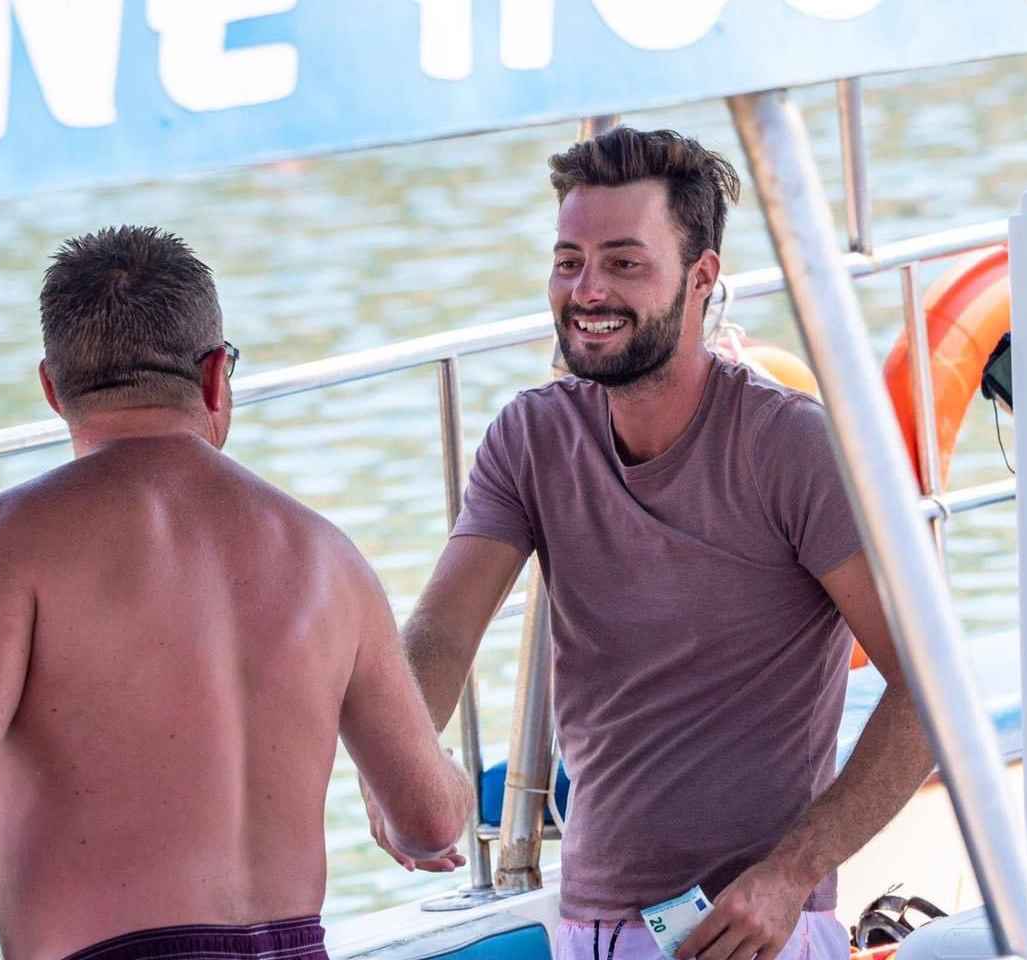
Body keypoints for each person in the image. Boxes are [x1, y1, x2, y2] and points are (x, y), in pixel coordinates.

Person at [396, 128, 933, 960]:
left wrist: (790, 876)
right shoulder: (530, 437)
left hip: (759, 931)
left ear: (701, 276)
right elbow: (440, 633)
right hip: (591, 929)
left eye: (623, 262)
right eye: (569, 260)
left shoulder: (789, 445)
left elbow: (930, 689)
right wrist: (397, 764)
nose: (587, 289)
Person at [0, 226, 473, 960]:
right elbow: (429, 824)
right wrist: (451, 782)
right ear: (214, 376)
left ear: (53, 389)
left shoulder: (2, 547)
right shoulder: (327, 556)